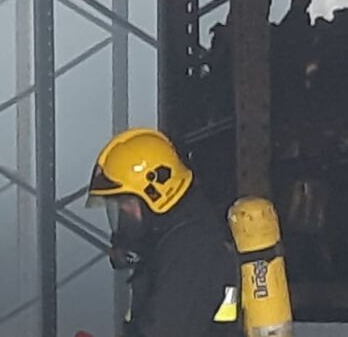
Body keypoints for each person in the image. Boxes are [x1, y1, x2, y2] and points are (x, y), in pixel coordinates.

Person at [86, 128, 241, 337]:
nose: (122, 212)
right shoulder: (170, 240)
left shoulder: (192, 249)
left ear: (155, 195)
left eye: (126, 202)